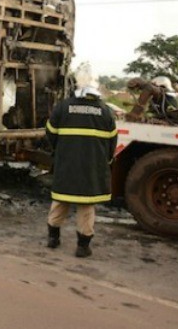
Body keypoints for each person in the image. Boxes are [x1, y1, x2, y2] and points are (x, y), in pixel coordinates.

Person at [45, 84, 117, 258]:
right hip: (92, 167)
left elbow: (50, 133)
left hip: (67, 164)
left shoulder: (63, 107)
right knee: (86, 205)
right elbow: (112, 142)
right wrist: (105, 161)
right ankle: (82, 247)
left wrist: (59, 151)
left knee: (60, 201)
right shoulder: (105, 111)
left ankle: (53, 239)